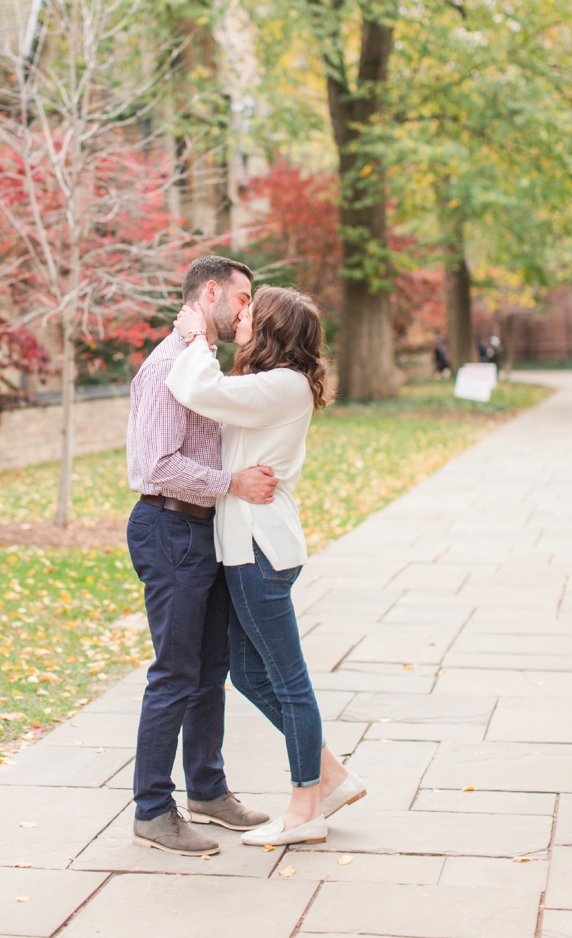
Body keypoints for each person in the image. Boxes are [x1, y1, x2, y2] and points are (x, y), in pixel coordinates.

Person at [168, 286, 367, 848]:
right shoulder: (271, 385)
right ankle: (331, 776)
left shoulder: (282, 385)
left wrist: (195, 337)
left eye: (251, 313)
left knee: (288, 681)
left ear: (274, 329)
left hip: (261, 549)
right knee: (250, 674)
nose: (240, 318)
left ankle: (306, 809)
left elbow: (196, 388)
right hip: (244, 544)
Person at [125, 255, 279, 858]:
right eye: (243, 298)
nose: (249, 309)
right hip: (168, 529)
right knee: (174, 673)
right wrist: (232, 484)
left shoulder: (199, 362)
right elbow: (157, 466)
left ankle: (208, 791)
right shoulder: (168, 366)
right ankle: (151, 809)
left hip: (201, 530)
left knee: (209, 670)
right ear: (210, 292)